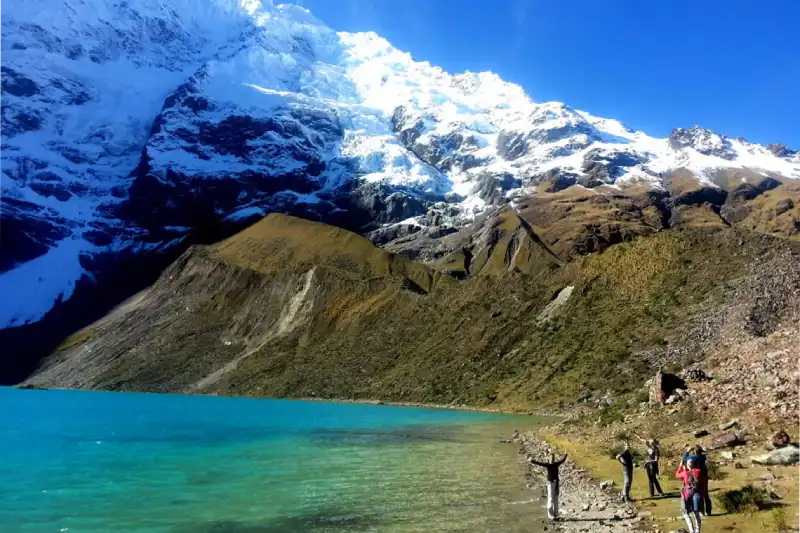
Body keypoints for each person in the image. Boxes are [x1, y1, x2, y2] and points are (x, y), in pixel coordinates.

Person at [529, 452, 568, 521]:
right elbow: (539, 463)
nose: (552, 459)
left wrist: (566, 455)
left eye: (553, 458)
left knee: (556, 498)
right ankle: (550, 515)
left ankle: (556, 514)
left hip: (556, 483)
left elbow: (563, 460)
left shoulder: (556, 464)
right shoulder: (548, 465)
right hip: (550, 483)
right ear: (548, 459)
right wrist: (532, 461)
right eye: (551, 458)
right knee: (550, 498)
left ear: (554, 458)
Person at [676, 458, 703, 533]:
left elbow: (677, 475)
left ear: (687, 465)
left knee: (685, 513)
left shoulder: (685, 473)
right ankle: (697, 530)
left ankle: (691, 531)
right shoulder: (698, 471)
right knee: (696, 513)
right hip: (696, 495)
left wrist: (681, 466)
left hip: (687, 495)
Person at [683, 446, 712, 515]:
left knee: (699, 493)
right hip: (705, 477)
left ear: (695, 452)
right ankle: (708, 511)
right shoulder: (703, 457)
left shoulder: (695, 457)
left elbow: (685, 458)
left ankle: (701, 511)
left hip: (698, 477)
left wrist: (687, 451)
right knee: (706, 494)